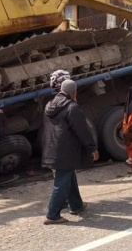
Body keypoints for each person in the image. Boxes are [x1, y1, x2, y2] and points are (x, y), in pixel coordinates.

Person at [41, 79, 98, 224]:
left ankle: (76, 205)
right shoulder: (72, 107)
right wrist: (92, 148)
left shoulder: (49, 105)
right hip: (65, 150)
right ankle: (52, 215)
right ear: (74, 92)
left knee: (68, 175)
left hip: (52, 148)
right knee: (62, 181)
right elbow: (82, 130)